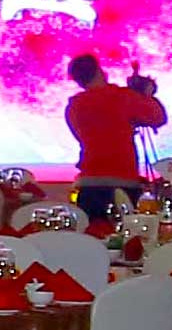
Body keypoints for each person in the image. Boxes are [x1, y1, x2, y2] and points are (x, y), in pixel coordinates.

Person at [61, 54, 164, 223]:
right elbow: (158, 117)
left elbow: (84, 136)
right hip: (123, 183)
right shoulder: (122, 97)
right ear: (99, 71)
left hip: (88, 186)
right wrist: (147, 93)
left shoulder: (73, 107)